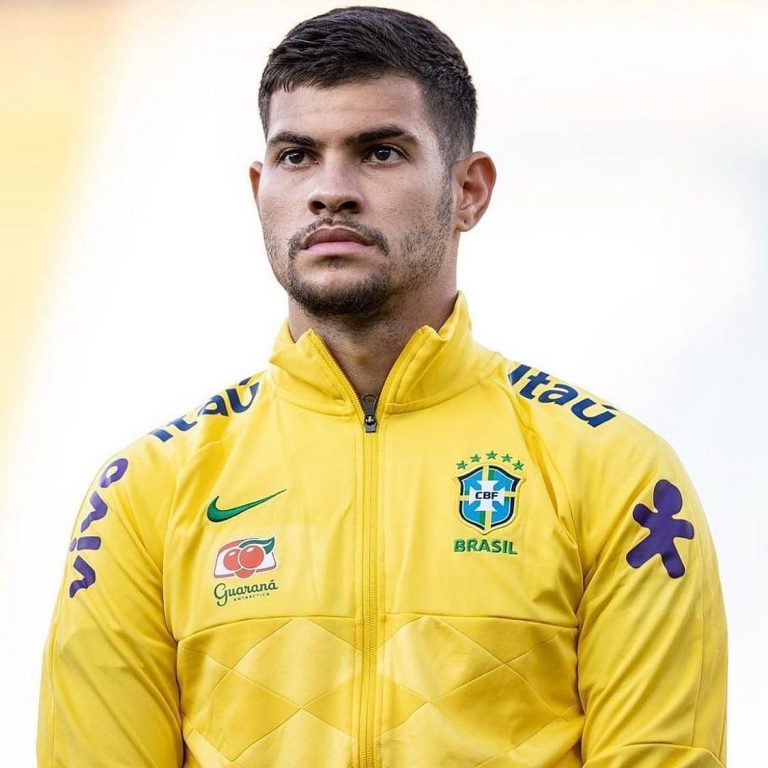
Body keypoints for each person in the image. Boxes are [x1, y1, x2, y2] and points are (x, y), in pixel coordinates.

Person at [38, 6, 727, 767]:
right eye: (298, 156)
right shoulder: (144, 491)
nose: (331, 191)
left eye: (380, 153)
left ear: (469, 190)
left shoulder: (618, 473)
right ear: (260, 188)